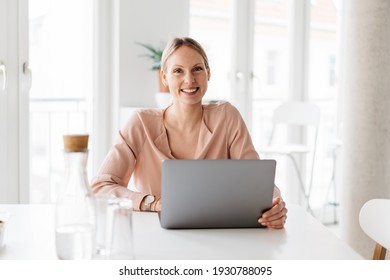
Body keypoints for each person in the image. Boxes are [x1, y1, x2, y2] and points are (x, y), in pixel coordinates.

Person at [91, 37, 287, 229]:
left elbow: (257, 179)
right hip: (156, 234)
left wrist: (273, 203)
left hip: (219, 234)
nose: (189, 80)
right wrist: (154, 203)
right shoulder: (140, 123)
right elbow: (101, 187)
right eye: (178, 71)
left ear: (208, 73)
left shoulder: (227, 117)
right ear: (164, 78)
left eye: (197, 69)